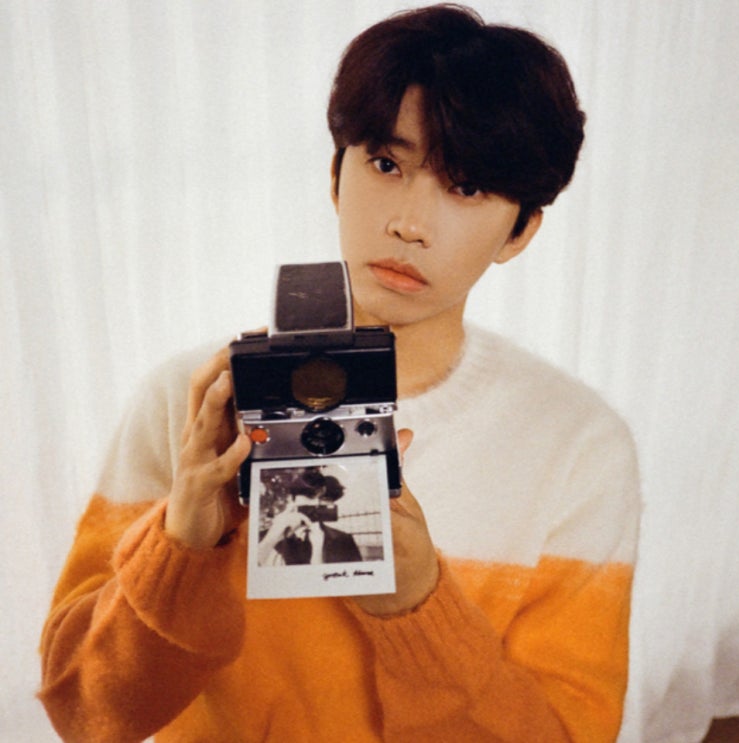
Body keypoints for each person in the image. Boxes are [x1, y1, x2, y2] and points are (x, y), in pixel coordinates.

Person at [39, 5, 640, 742]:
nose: (410, 223)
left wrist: (420, 605)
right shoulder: (196, 400)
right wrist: (181, 546)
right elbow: (84, 715)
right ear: (335, 174)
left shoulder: (578, 446)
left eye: (466, 188)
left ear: (521, 231)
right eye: (386, 164)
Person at [257, 470, 363, 565]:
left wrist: (318, 551)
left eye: (325, 498)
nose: (316, 503)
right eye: (309, 496)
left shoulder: (343, 541)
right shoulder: (266, 537)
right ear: (292, 500)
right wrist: (271, 538)